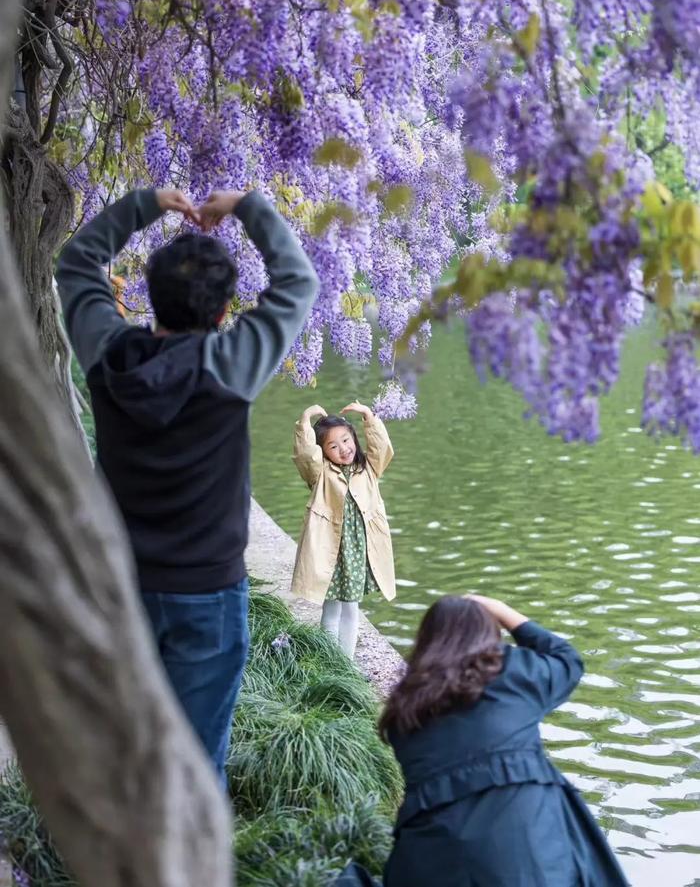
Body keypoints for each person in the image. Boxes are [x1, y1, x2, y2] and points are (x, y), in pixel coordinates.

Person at [56, 186, 318, 783]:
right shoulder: (233, 363)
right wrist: (247, 204)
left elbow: (75, 263)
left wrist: (145, 204)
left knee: (119, 750)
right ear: (226, 311)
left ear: (148, 298)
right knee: (196, 766)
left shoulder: (108, 353)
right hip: (207, 595)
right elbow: (299, 283)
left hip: (117, 587)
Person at [376, 595, 629, 887]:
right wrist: (504, 612)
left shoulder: (405, 706)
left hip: (429, 858)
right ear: (488, 633)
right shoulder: (511, 670)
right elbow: (567, 659)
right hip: (526, 848)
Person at [290, 402, 395, 658]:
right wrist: (304, 421)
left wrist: (369, 418)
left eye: (346, 441)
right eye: (333, 446)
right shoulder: (320, 474)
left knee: (351, 607)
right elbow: (305, 456)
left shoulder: (368, 468)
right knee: (331, 608)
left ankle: (346, 665)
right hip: (331, 550)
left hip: (357, 550)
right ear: (324, 452)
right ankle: (330, 661)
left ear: (354, 438)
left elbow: (382, 448)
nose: (343, 449)